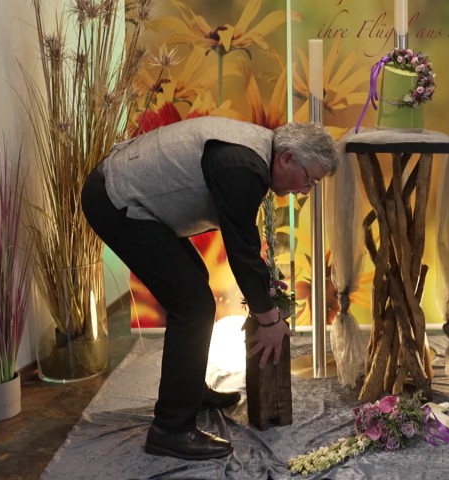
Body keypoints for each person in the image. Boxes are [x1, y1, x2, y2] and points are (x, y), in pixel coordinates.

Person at [81, 117, 338, 461]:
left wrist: (266, 309)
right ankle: (170, 430)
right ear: (287, 158)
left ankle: (188, 391)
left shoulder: (255, 152)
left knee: (193, 288)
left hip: (128, 197)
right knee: (193, 305)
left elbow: (245, 246)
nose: (306, 190)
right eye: (310, 179)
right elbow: (241, 250)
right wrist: (270, 320)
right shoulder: (244, 166)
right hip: (115, 199)